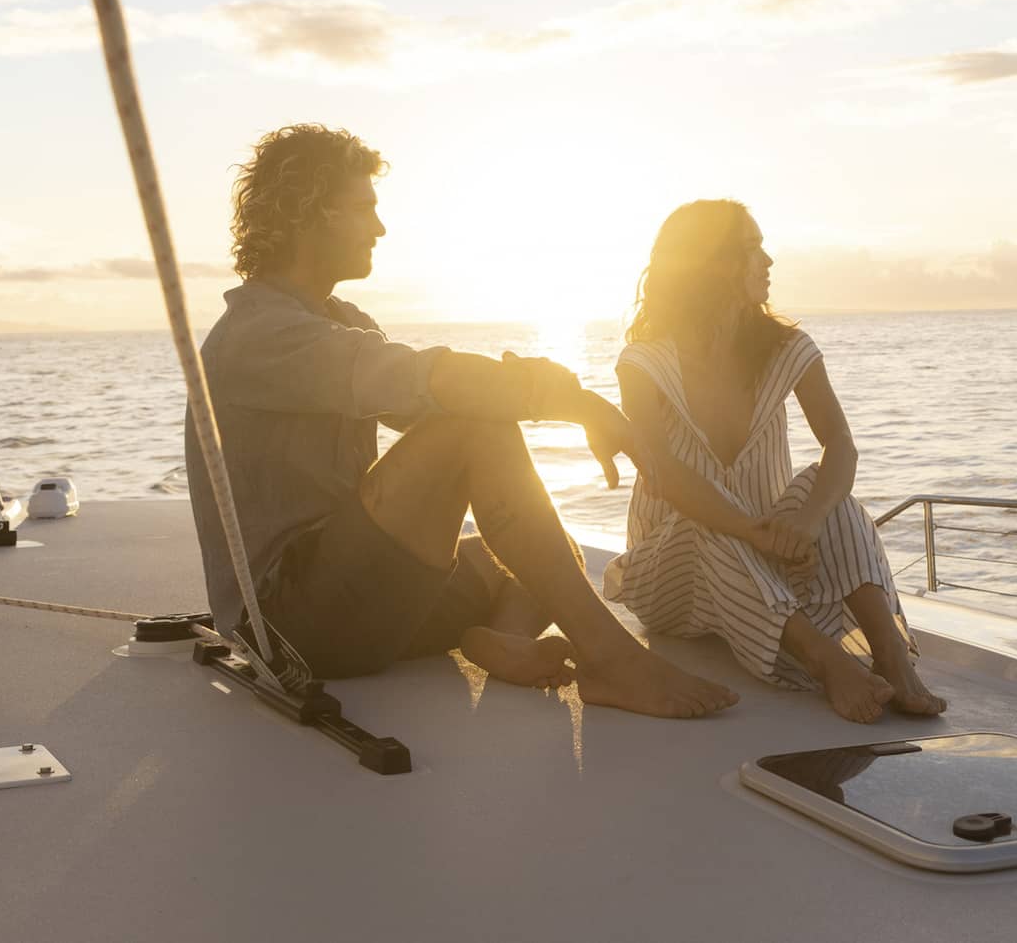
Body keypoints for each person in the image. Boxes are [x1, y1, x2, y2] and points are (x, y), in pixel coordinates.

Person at [184, 124, 736, 719]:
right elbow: (436, 384)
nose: (380, 226)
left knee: (554, 552)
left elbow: (419, 397)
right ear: (308, 214)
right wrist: (578, 403)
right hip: (290, 624)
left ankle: (506, 640)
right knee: (474, 425)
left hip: (361, 601)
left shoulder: (337, 319)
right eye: (364, 207)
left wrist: (523, 393)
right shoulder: (256, 336)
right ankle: (611, 660)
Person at [603, 200, 945, 723]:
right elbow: (665, 476)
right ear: (711, 264)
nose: (767, 261)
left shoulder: (786, 347)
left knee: (829, 492)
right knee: (704, 519)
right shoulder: (645, 362)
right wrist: (753, 531)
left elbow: (841, 445)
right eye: (751, 249)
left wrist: (803, 525)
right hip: (669, 575)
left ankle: (892, 656)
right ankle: (827, 661)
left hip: (770, 563)